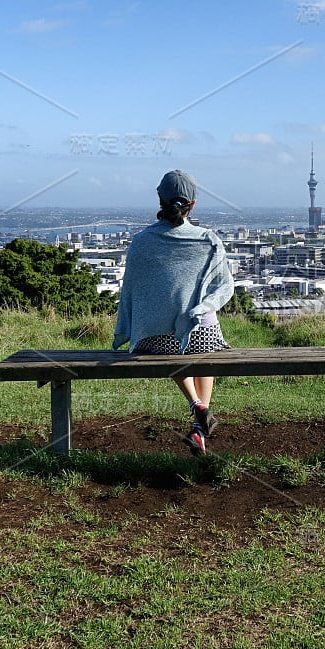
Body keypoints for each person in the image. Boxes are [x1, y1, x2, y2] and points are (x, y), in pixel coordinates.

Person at [112, 170, 235, 456]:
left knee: (169, 338)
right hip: (203, 334)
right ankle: (198, 425)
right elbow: (225, 288)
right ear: (193, 204)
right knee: (199, 340)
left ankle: (198, 407)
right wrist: (201, 307)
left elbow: (131, 292)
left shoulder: (141, 243)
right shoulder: (208, 240)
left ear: (160, 199)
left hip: (155, 339)